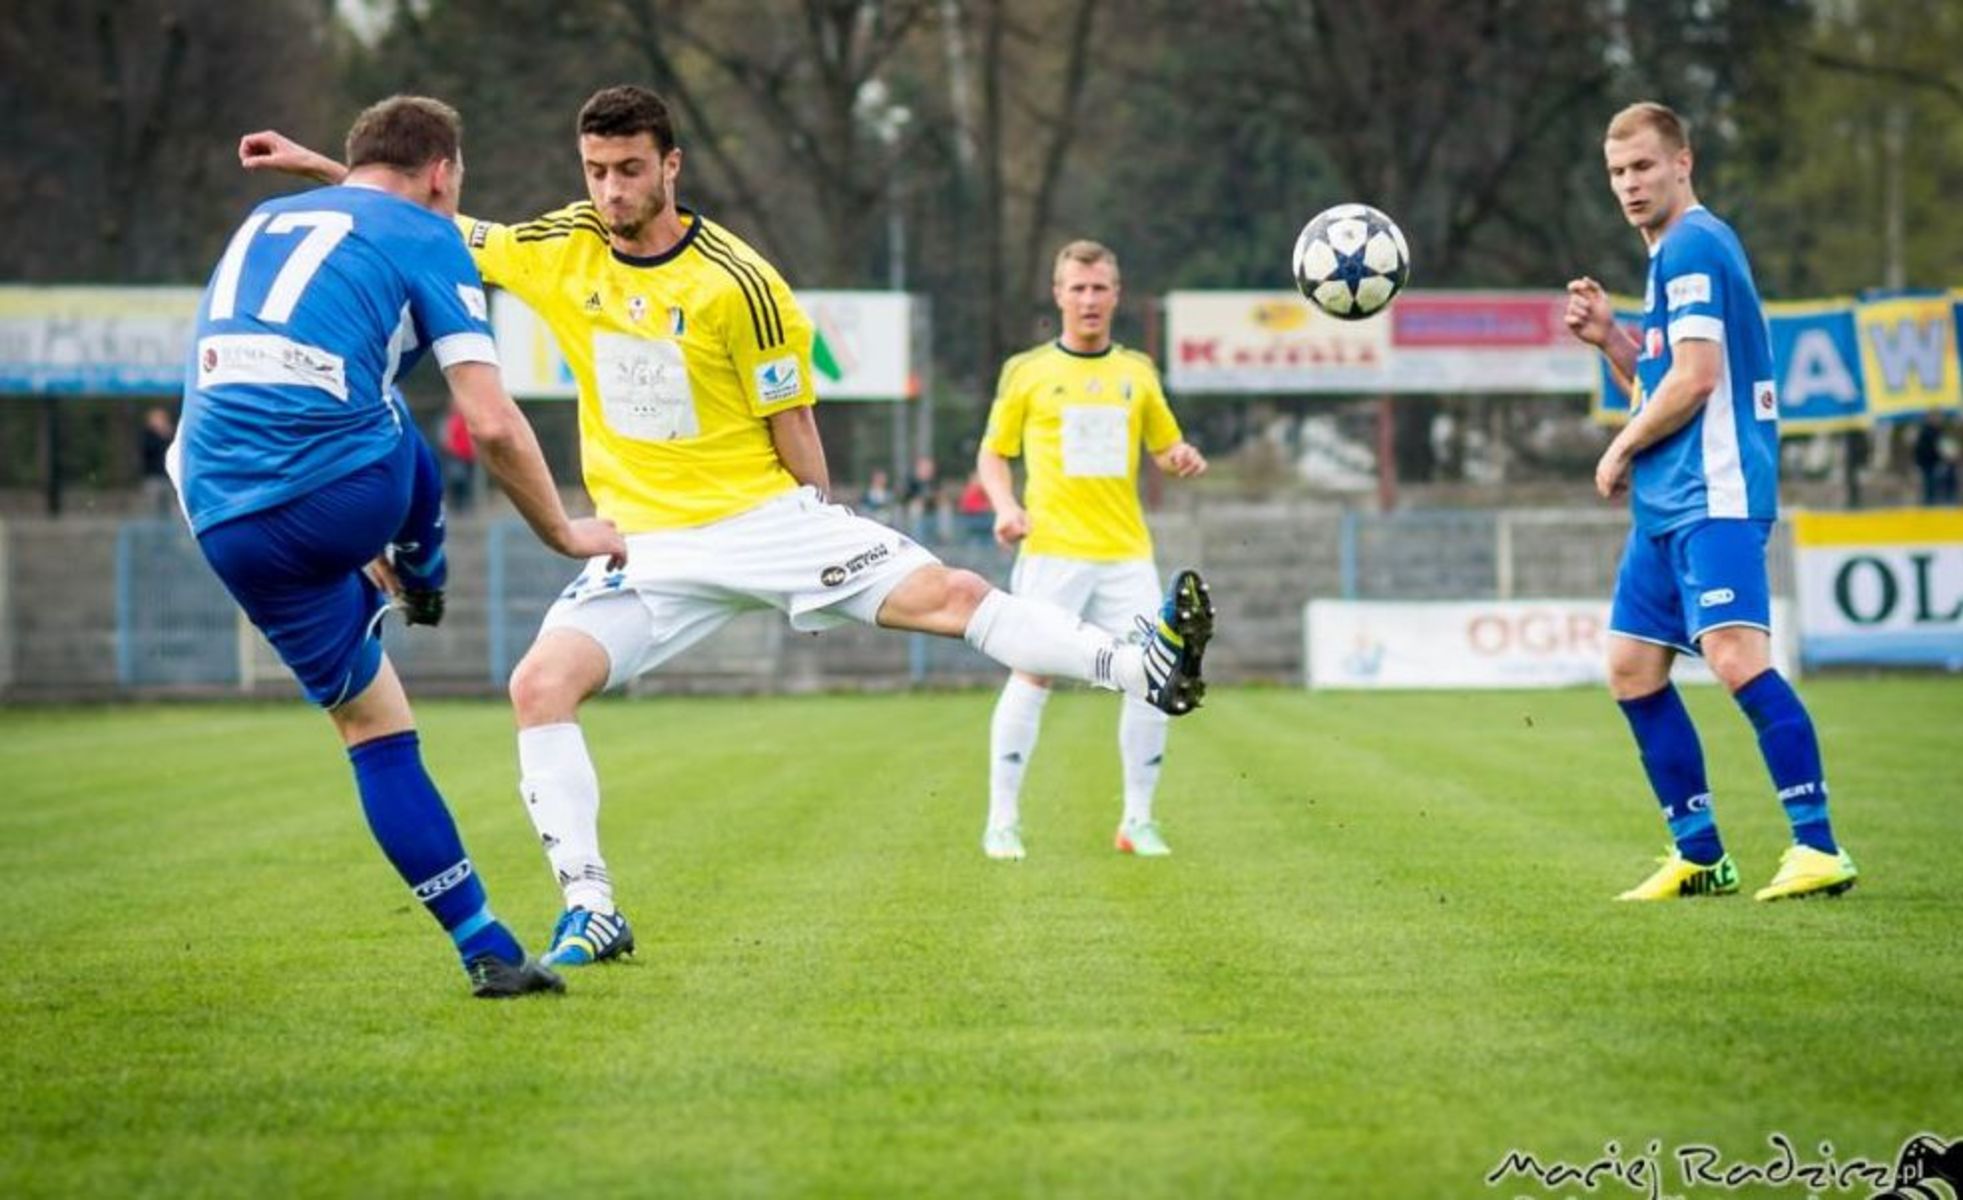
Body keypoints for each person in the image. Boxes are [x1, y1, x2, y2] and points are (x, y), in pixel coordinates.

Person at [239, 85, 1215, 969]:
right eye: (596, 170)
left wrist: (819, 528)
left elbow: (796, 431)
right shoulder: (561, 245)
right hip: (645, 546)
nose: (611, 189)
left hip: (762, 518)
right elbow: (432, 218)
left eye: (629, 169)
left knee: (951, 597)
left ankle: (1145, 667)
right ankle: (591, 906)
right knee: (539, 684)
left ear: (671, 166)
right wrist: (325, 169)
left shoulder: (741, 284)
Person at [180, 95, 625, 998]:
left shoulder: (269, 215)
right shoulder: (429, 237)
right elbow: (492, 426)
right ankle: (420, 579)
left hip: (218, 509)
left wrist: (316, 168)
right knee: (402, 427)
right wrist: (566, 531)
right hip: (340, 489)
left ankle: (488, 949)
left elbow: (361, 213)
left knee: (374, 728)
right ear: (444, 175)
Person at [1563, 101, 1855, 902]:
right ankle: (1699, 853)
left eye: (1644, 167)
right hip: (1667, 503)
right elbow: (1661, 379)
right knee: (1629, 668)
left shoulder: (1691, 244)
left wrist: (1619, 445)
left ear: (1682, 163)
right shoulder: (1669, 259)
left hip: (1712, 493)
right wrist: (1613, 342)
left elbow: (1695, 383)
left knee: (1733, 658)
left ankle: (1817, 844)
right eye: (1617, 172)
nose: (1629, 184)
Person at [975, 240, 1208, 861]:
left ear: (1116, 295)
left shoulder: (1137, 373)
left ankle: (1138, 820)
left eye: (1099, 287)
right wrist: (1005, 507)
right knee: (1032, 671)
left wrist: (1178, 456)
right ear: (1058, 295)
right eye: (1077, 288)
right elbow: (993, 451)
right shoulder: (1027, 372)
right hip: (1053, 553)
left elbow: (1166, 445)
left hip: (1127, 554)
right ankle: (1002, 821)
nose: (1088, 299)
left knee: (1156, 679)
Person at [138, 407, 176, 515]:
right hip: (153, 477)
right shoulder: (147, 436)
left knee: (173, 509)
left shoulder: (171, 435)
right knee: (152, 510)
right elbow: (147, 451)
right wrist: (158, 435)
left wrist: (167, 435)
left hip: (169, 478)